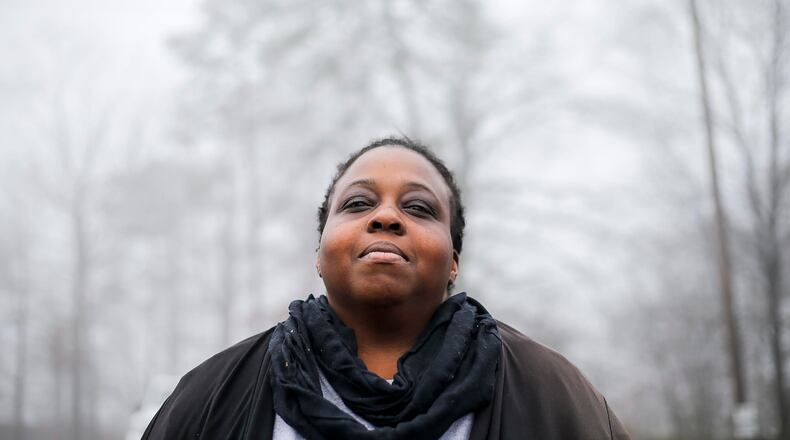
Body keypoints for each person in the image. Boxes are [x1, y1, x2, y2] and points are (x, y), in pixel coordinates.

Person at [142, 137, 631, 440]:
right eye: (357, 204)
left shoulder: (557, 396)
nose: (386, 216)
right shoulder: (209, 398)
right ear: (319, 252)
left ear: (453, 261)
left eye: (419, 208)